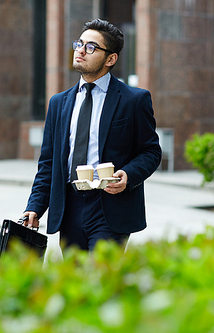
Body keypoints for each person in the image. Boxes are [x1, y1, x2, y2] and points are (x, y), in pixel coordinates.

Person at [22, 18, 161, 251]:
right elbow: (48, 162)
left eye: (91, 47)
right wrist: (35, 205)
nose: (81, 51)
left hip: (111, 206)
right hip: (69, 207)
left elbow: (151, 151)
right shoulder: (58, 103)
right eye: (79, 44)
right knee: (77, 282)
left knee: (100, 279)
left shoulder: (134, 100)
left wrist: (128, 174)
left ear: (111, 59)